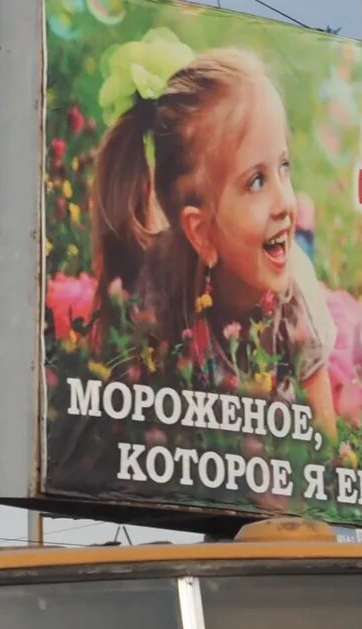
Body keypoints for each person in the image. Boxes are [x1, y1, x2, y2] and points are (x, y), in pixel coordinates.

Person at [93, 47, 343, 442]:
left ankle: (306, 232)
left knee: (300, 252)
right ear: (202, 233)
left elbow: (328, 440)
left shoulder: (295, 297)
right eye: (256, 181)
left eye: (284, 167)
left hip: (277, 257)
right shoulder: (155, 299)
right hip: (239, 254)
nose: (284, 200)